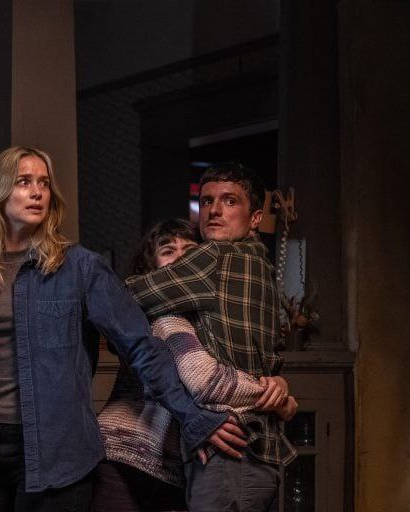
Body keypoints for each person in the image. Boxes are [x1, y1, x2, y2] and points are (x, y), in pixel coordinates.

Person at [0, 147, 234, 512]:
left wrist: (193, 416)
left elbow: (141, 346)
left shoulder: (80, 267)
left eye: (44, 183)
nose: (37, 192)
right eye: (23, 182)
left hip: (56, 451)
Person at [127, 163, 298, 511]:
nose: (215, 210)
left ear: (255, 217)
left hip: (229, 449)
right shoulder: (262, 265)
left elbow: (131, 296)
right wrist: (279, 391)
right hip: (259, 447)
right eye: (207, 202)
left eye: (230, 201)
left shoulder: (214, 256)